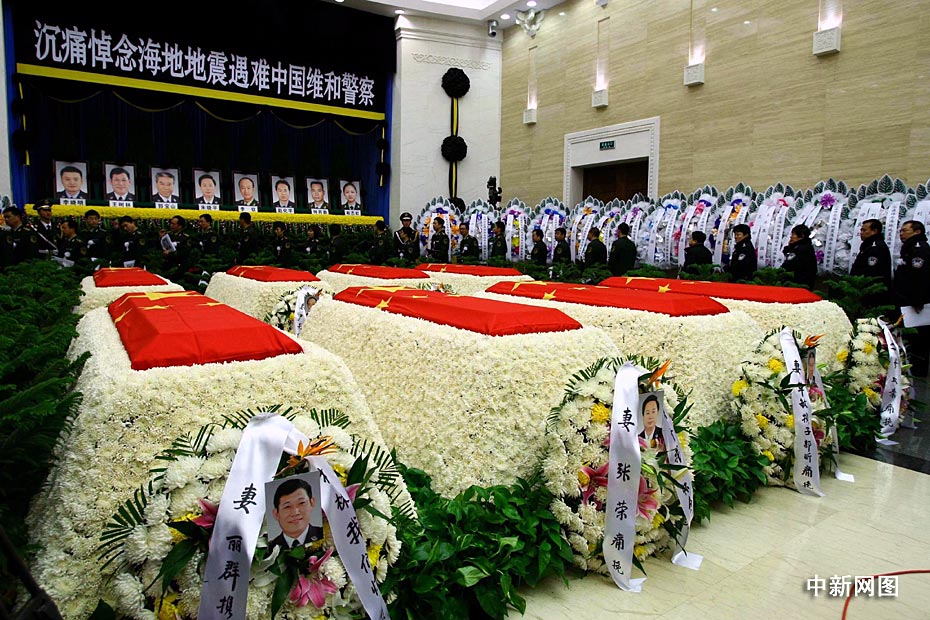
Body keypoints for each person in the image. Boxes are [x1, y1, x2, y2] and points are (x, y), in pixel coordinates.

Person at [895, 220, 930, 377]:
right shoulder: (909, 248)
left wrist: (918, 300)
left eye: (905, 231)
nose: (901, 234)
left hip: (915, 303)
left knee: (918, 338)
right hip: (906, 300)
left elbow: (920, 276)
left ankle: (917, 371)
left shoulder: (919, 249)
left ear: (917, 232)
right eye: (900, 231)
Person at [267, 478, 323, 554]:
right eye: (287, 507)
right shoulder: (270, 549)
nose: (295, 512)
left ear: (312, 503)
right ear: (276, 513)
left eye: (301, 503)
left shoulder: (325, 535)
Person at [850, 219, 892, 306]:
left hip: (871, 292)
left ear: (874, 231)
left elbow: (871, 272)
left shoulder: (876, 247)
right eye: (861, 230)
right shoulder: (868, 245)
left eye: (864, 230)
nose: (861, 233)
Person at [781, 224, 817, 289]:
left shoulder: (800, 250)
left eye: (793, 234)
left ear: (801, 236)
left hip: (797, 285)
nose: (791, 237)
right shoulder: (807, 247)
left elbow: (788, 266)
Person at [160, 215, 192, 280]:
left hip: (178, 266)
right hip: (167, 265)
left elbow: (184, 253)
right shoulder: (168, 235)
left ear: (180, 226)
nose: (171, 225)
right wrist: (161, 237)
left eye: (173, 224)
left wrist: (170, 254)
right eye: (171, 223)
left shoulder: (185, 238)